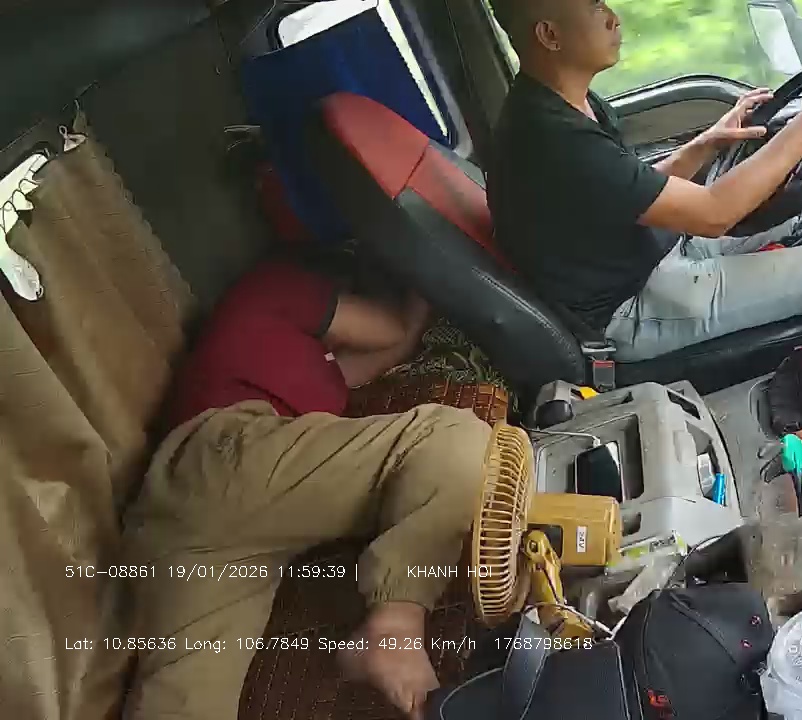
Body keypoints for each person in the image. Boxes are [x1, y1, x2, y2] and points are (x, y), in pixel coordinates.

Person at [121, 257, 517, 719]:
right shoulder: (275, 286)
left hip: (192, 534)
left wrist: (418, 308)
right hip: (223, 456)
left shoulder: (322, 373)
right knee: (457, 442)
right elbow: (391, 331)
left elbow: (392, 348)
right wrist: (426, 273)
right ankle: (395, 625)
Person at [488, 0, 802, 362]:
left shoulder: (567, 103)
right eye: (595, 5)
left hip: (647, 251)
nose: (614, 17)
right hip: (630, 307)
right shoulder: (553, 137)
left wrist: (708, 141)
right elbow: (713, 214)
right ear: (550, 35)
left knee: (799, 218)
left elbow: (631, 189)